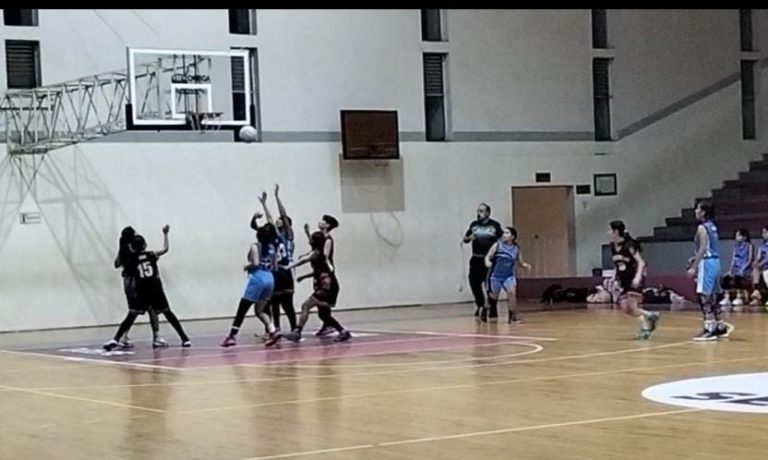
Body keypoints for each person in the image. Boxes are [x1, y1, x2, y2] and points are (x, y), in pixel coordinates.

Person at [104, 226, 191, 351]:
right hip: (155, 289)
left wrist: (124, 247)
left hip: (140, 290)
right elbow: (165, 249)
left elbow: (118, 264)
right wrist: (165, 234)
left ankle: (116, 338)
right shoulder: (151, 255)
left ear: (131, 247)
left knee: (131, 314)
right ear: (145, 245)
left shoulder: (132, 258)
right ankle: (184, 338)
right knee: (167, 313)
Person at [281, 231, 351, 343]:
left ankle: (297, 332)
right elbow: (318, 272)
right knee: (324, 315)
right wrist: (304, 276)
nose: (309, 241)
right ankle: (343, 332)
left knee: (306, 306)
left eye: (311, 239)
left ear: (314, 242)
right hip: (330, 285)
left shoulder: (317, 253)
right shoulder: (320, 254)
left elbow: (304, 260)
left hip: (326, 286)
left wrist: (289, 267)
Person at [221, 223, 282, 347]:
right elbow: (276, 266)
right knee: (260, 310)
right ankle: (273, 331)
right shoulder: (272, 247)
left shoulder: (255, 246)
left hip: (258, 278)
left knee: (242, 308)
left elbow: (256, 263)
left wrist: (247, 266)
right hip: (270, 278)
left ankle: (232, 336)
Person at [686, 201, 733, 341]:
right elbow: (710, 247)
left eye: (697, 209)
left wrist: (694, 266)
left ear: (703, 212)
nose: (695, 211)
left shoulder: (702, 227)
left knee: (703, 295)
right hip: (715, 262)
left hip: (707, 263)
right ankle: (720, 325)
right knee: (712, 295)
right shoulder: (712, 226)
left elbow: (703, 248)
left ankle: (709, 327)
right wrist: (695, 258)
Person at [254, 185, 298, 332]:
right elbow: (270, 219)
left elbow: (283, 215)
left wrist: (277, 197)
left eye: (281, 221)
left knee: (288, 304)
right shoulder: (274, 236)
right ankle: (276, 328)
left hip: (286, 271)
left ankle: (294, 329)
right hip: (275, 271)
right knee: (274, 302)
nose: (278, 221)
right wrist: (264, 204)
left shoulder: (288, 236)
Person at [114, 226, 165, 349]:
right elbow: (162, 251)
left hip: (128, 281)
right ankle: (156, 336)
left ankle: (123, 335)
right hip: (138, 281)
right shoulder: (135, 248)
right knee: (150, 308)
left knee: (134, 310)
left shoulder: (123, 248)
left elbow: (116, 264)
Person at [608, 220, 660, 340]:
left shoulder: (629, 245)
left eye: (610, 230)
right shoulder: (612, 247)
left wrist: (637, 277)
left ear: (616, 232)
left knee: (631, 306)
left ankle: (646, 327)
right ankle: (650, 315)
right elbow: (617, 264)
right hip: (624, 280)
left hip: (634, 277)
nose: (608, 233)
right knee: (624, 307)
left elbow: (641, 262)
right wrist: (614, 277)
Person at [462, 203, 503, 321]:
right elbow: (465, 239)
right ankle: (481, 305)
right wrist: (469, 238)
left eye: (481, 211)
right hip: (476, 258)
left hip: (490, 259)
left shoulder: (495, 225)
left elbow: (501, 240)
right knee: (474, 283)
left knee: (490, 285)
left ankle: (492, 307)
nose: (479, 214)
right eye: (478, 211)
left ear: (488, 213)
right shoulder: (474, 225)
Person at [484, 227, 531, 324]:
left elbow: (520, 262)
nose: (504, 235)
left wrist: (525, 266)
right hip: (495, 276)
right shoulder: (497, 245)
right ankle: (484, 310)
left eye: (507, 233)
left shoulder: (516, 248)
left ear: (512, 237)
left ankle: (512, 316)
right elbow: (488, 256)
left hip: (508, 276)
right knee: (493, 298)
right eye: (503, 233)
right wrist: (487, 262)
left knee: (512, 293)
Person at [303, 214, 341, 336]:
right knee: (321, 304)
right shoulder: (319, 237)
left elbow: (324, 255)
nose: (320, 222)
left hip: (325, 273)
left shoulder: (328, 239)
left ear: (328, 225)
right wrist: (308, 233)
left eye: (323, 221)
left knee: (320, 302)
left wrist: (328, 265)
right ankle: (328, 325)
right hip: (318, 273)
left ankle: (331, 326)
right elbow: (315, 245)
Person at [720, 229, 753, 310]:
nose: (736, 237)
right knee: (724, 278)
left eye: (738, 235)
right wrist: (730, 270)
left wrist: (742, 269)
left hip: (745, 269)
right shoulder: (736, 247)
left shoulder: (749, 246)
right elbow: (733, 260)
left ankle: (739, 297)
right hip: (736, 269)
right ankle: (726, 297)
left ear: (744, 237)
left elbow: (750, 260)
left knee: (738, 277)